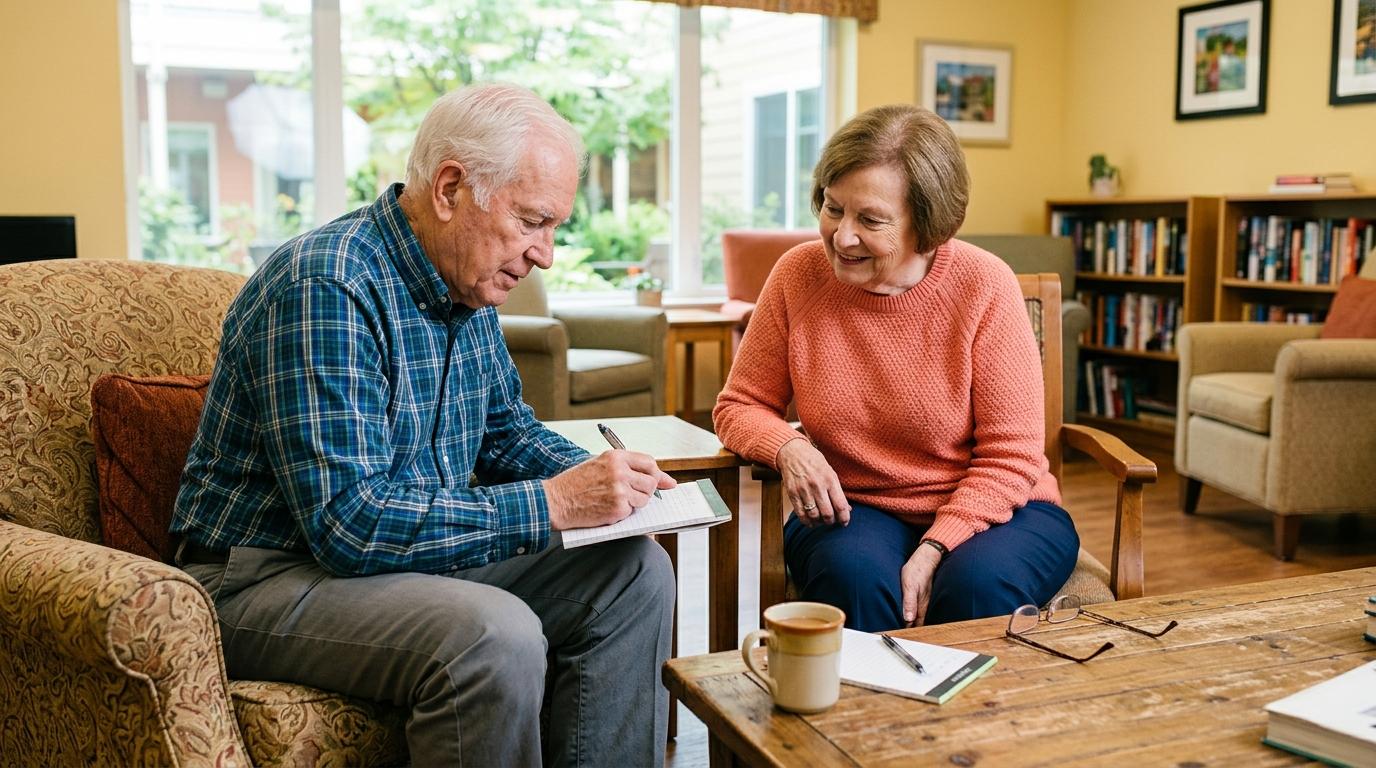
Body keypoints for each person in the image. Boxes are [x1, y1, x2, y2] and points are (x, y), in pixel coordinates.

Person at [171, 83, 677, 767]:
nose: (546, 254)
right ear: (449, 189)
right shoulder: (326, 285)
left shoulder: (467, 285)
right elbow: (350, 523)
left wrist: (609, 484)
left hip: (397, 563)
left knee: (634, 572)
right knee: (492, 636)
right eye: (532, 221)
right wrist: (555, 503)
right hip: (264, 578)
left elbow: (506, 436)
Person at [713, 104, 1078, 633]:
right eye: (834, 209)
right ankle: (856, 718)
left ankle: (972, 718)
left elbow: (1012, 456)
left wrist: (936, 547)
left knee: (975, 587)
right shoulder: (797, 275)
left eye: (871, 220)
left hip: (1002, 507)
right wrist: (788, 447)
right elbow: (740, 405)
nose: (841, 237)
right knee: (852, 580)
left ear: (928, 227)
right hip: (857, 505)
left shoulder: (984, 285)